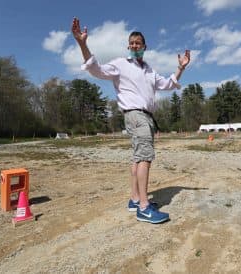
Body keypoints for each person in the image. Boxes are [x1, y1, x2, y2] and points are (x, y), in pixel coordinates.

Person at [71, 17, 190, 224]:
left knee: (137, 158)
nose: (135, 45)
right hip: (135, 115)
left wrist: (181, 68)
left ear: (145, 47)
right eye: (132, 43)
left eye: (139, 43)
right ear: (128, 46)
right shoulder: (120, 64)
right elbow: (96, 69)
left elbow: (168, 84)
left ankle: (135, 199)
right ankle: (144, 208)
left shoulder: (149, 70)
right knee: (145, 157)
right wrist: (82, 43)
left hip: (145, 117)